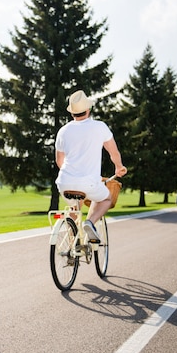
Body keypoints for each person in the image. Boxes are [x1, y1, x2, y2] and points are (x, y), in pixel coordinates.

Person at [55, 90, 127, 243]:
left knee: (74, 208)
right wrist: (119, 167)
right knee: (106, 198)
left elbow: (59, 161)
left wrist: (72, 175)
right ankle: (90, 222)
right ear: (88, 109)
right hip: (89, 183)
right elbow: (114, 152)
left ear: (72, 113)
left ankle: (72, 246)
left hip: (64, 182)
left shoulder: (63, 131)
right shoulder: (99, 127)